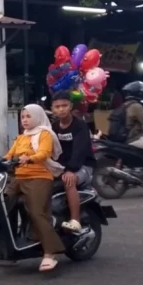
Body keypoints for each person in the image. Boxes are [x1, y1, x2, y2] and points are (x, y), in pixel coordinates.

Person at [3, 104, 66, 272]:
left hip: (39, 177)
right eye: (23, 117)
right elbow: (9, 155)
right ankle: (6, 244)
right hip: (19, 177)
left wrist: (29, 158)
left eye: (28, 116)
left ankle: (49, 252)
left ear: (37, 117)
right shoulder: (21, 137)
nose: (24, 120)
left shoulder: (45, 134)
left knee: (37, 212)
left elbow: (44, 153)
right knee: (0, 203)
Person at [50, 92, 97, 233]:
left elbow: (80, 151)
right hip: (61, 167)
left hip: (83, 166)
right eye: (57, 106)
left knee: (68, 181)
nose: (61, 109)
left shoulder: (80, 126)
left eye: (64, 105)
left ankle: (75, 220)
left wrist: (70, 170)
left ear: (70, 106)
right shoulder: (54, 127)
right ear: (52, 108)